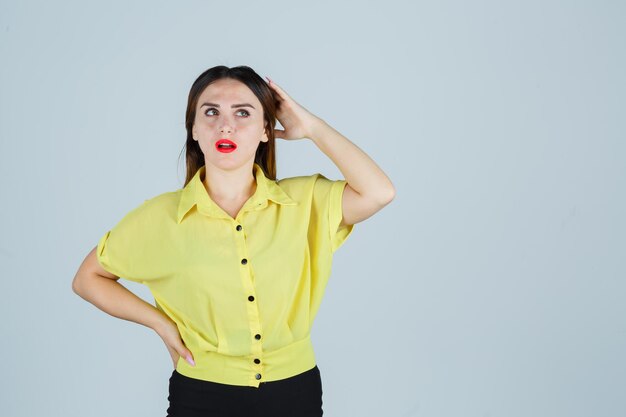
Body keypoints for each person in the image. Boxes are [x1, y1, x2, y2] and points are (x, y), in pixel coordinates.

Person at [72, 65, 395, 417]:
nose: (225, 125)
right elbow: (87, 278)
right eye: (211, 112)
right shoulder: (161, 217)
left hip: (294, 393)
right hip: (201, 395)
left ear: (265, 131)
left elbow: (379, 192)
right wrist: (160, 324)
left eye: (243, 112)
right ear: (193, 128)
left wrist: (312, 128)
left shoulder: (304, 202)